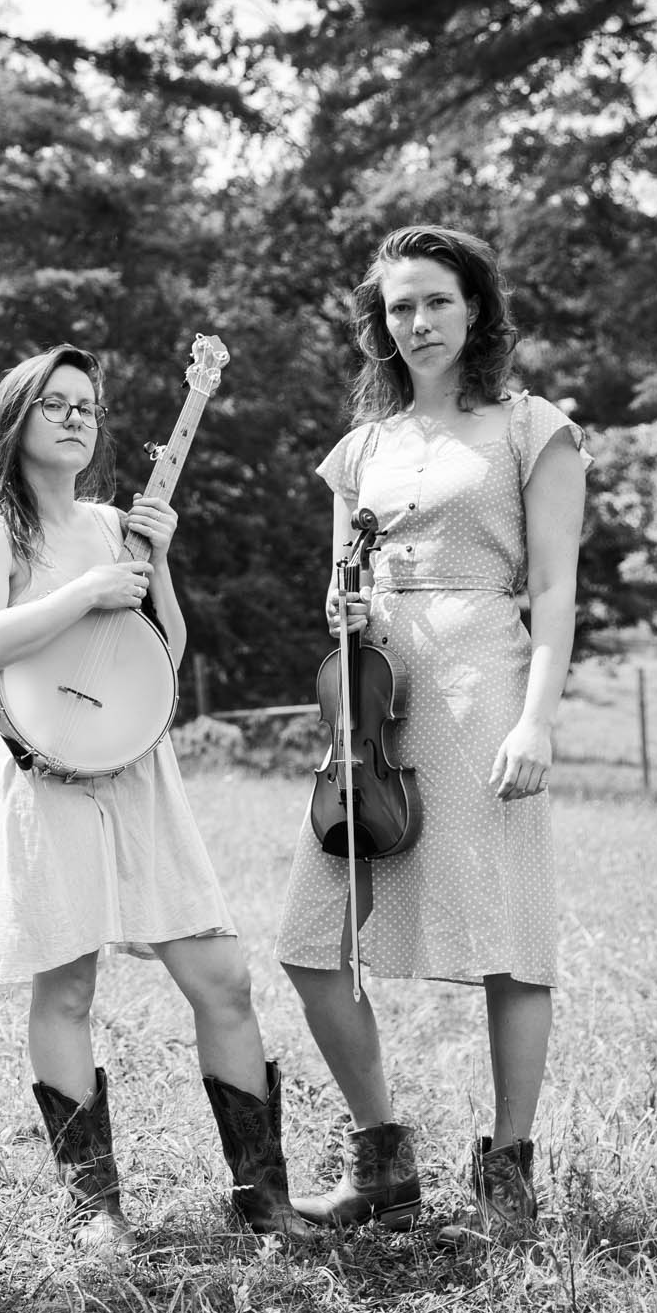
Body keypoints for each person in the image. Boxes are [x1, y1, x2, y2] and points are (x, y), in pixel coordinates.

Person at [0, 344, 314, 1252]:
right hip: (43, 772)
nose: (76, 418)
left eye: (87, 405)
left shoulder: (118, 525)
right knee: (68, 987)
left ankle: (262, 1201)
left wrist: (159, 561)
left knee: (222, 979)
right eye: (55, 404)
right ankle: (95, 1208)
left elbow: (167, 647)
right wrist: (84, 591)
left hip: (138, 769)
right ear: (16, 418)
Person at [277, 224, 587, 1250]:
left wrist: (538, 717)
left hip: (484, 686)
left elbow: (553, 588)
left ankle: (508, 1168)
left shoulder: (531, 428)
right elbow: (339, 588)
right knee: (311, 937)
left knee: (509, 938)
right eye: (399, 306)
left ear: (475, 311)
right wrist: (347, 615)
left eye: (437, 302)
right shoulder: (361, 449)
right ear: (379, 324)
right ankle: (383, 1161)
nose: (417, 322)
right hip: (372, 711)